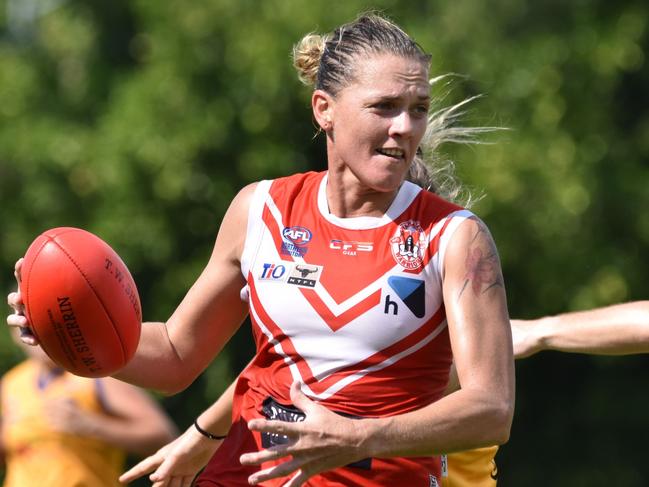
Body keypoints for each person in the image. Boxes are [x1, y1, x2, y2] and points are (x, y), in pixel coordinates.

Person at [7, 12, 515, 487]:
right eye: (384, 107)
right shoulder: (261, 210)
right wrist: (71, 332)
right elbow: (177, 354)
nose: (405, 127)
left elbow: (491, 407)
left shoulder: (454, 238)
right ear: (325, 110)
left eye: (418, 109)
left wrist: (359, 436)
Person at [0, 329, 178, 487]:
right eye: (31, 329)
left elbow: (164, 436)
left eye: (45, 327)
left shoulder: (96, 374)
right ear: (16, 333)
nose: (40, 336)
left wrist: (91, 425)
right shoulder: (11, 383)